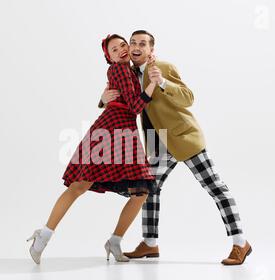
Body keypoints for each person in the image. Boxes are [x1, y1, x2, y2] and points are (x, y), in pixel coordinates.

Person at [101, 30, 252, 265]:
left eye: (142, 43)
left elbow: (188, 98)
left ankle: (241, 243)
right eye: (132, 43)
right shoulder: (126, 72)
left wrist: (161, 81)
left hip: (183, 138)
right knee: (148, 190)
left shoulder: (163, 67)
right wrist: (103, 98)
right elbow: (120, 97)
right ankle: (150, 244)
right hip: (157, 140)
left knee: (215, 187)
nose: (135, 46)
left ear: (152, 50)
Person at [27, 34, 160, 264]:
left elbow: (124, 97)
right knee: (80, 186)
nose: (121, 50)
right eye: (114, 49)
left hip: (125, 133)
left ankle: (115, 241)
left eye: (122, 45)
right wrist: (153, 83)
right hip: (110, 131)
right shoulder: (119, 70)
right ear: (108, 57)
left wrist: (150, 67)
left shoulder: (128, 70)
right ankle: (43, 236)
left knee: (140, 192)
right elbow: (136, 106)